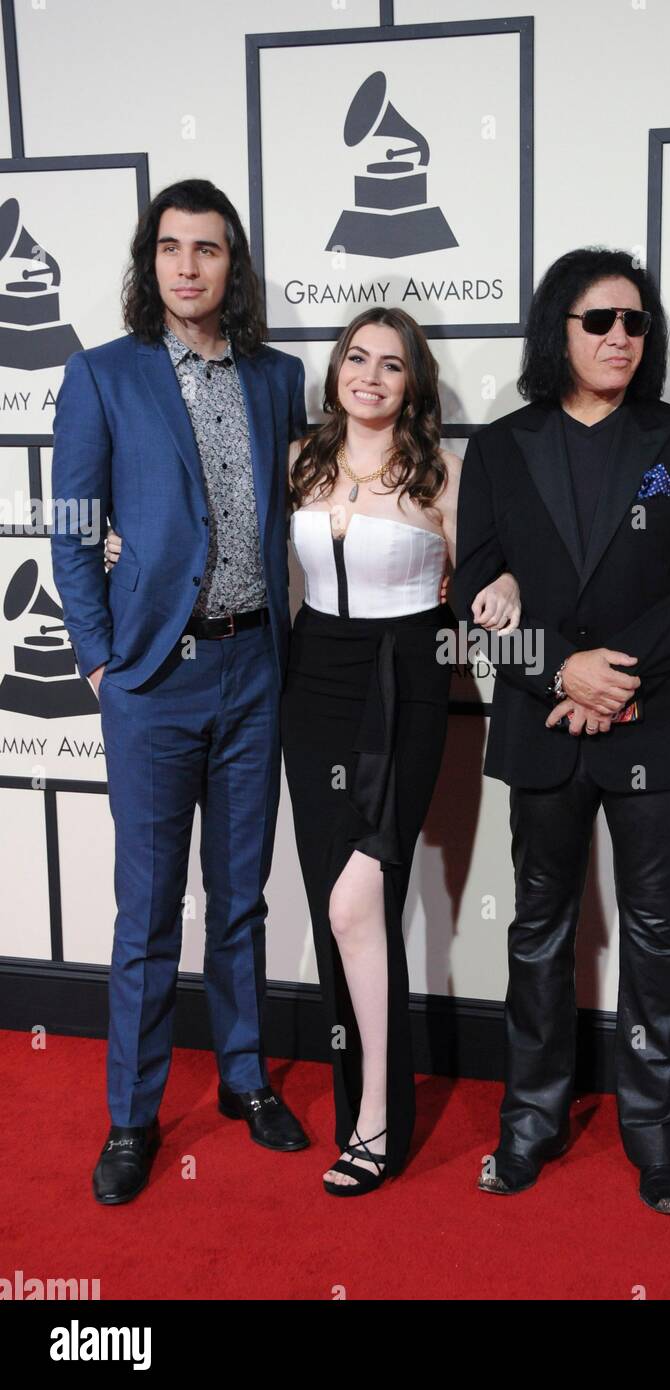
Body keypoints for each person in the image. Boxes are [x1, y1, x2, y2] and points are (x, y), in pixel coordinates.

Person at [453, 248, 670, 1212]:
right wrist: (554, 672)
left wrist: (610, 676)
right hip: (543, 727)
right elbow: (474, 594)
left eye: (634, 323)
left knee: (658, 936)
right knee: (539, 931)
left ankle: (656, 1137)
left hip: (653, 721)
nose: (622, 337)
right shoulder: (498, 447)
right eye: (598, 321)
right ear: (557, 331)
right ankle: (529, 1123)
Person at [51, 179, 310, 1206]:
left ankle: (245, 1078)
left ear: (230, 266)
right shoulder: (100, 377)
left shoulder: (278, 378)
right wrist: (100, 658)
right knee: (148, 907)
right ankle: (133, 1114)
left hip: (255, 666)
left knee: (240, 895)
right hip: (153, 679)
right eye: (171, 247)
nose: (189, 266)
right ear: (149, 260)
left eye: (208, 249)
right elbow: (74, 525)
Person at [281, 306, 519, 1195]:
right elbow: (241, 553)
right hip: (313, 684)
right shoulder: (302, 460)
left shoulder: (442, 473)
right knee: (334, 905)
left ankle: (378, 1118)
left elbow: (492, 568)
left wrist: (498, 595)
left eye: (391, 364)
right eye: (356, 358)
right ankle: (360, 1107)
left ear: (413, 382)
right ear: (337, 369)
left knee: (355, 902)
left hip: (407, 683)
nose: (370, 376)